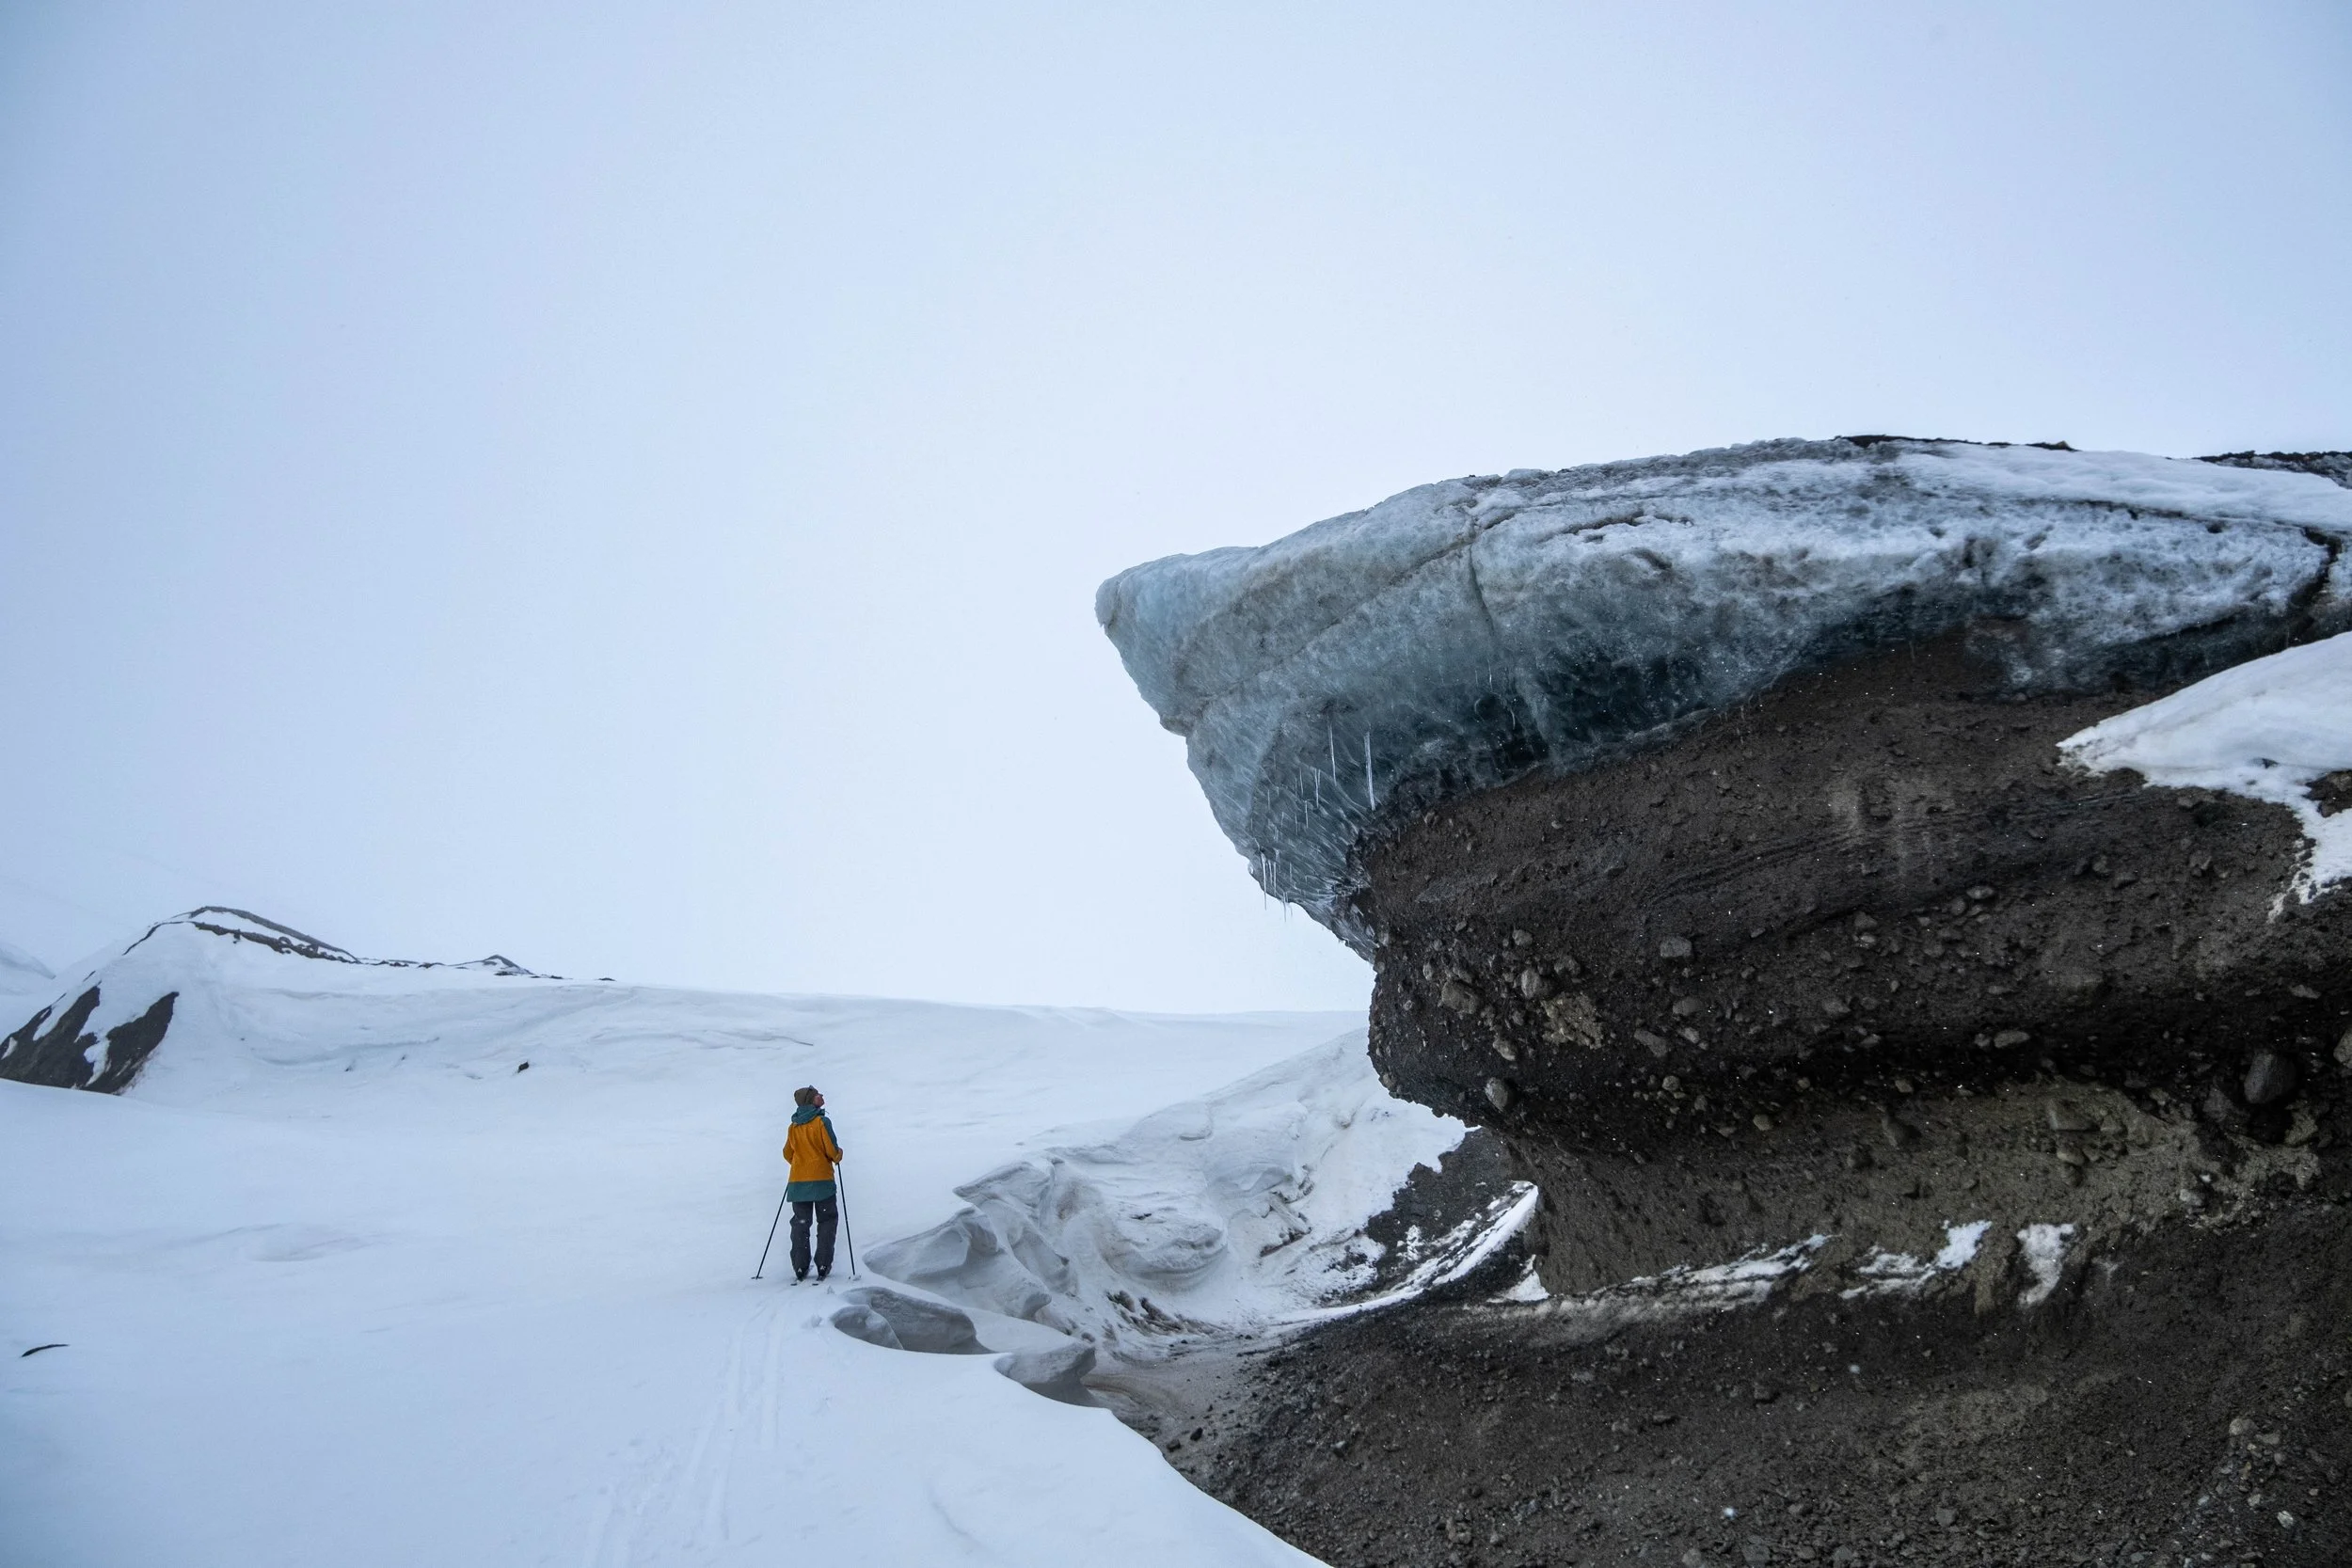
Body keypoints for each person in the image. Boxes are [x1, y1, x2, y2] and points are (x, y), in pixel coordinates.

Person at [782, 1085, 844, 1282]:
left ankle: (800, 1266)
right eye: (818, 1095)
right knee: (826, 1220)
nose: (822, 1096)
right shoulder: (821, 1122)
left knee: (801, 1223)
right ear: (811, 1100)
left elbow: (787, 1153)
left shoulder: (793, 1127)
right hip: (822, 1181)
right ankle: (823, 1264)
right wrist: (838, 1155)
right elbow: (831, 1150)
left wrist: (801, 1164)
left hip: (798, 1183)